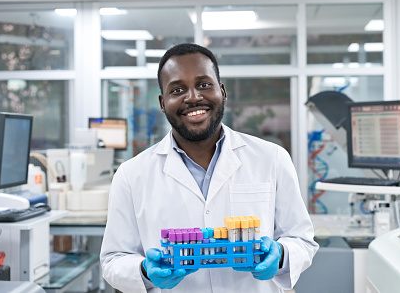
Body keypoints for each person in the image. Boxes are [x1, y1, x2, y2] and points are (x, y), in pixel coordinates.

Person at [100, 43, 318, 292]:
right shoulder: (131, 175)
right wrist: (144, 271)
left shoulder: (272, 158)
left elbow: (302, 240)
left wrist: (280, 256)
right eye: (178, 89)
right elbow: (113, 260)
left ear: (222, 91)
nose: (193, 97)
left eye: (204, 85)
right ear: (163, 102)